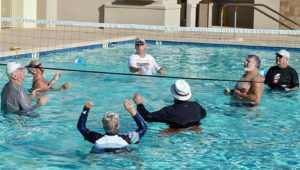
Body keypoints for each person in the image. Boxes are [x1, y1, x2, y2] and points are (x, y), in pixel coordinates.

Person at [77, 99, 147, 153]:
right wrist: (132, 111)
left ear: (103, 126)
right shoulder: (127, 139)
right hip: (122, 154)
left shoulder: (95, 138)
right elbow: (143, 128)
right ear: (119, 126)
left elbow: (81, 127)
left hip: (99, 153)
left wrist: (86, 109)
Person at [132, 79, 206, 129]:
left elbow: (147, 117)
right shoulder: (196, 105)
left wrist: (139, 104)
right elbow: (204, 114)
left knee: (161, 134)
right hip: (195, 127)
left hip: (174, 129)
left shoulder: (168, 111)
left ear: (174, 94)